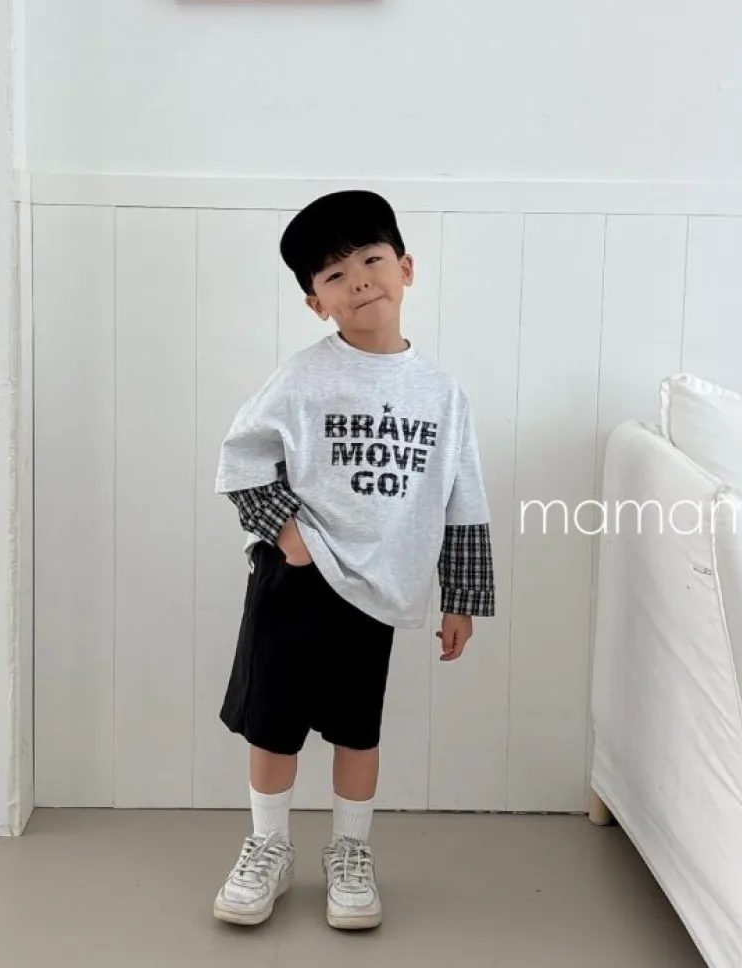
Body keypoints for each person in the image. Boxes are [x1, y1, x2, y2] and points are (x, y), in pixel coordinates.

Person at [212, 189, 495, 930]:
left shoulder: (442, 394)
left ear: (406, 268)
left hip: (379, 588)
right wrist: (289, 536)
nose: (360, 281)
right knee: (273, 723)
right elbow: (241, 460)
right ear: (316, 303)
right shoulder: (303, 377)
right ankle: (268, 846)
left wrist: (461, 598)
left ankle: (350, 851)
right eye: (335, 275)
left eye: (372, 260)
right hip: (295, 582)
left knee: (356, 726)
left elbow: (464, 496)